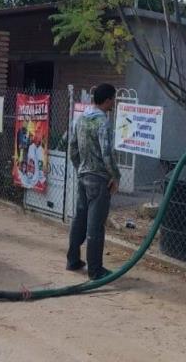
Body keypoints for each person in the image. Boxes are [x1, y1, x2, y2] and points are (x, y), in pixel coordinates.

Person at [66, 83, 120, 280]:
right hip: (99, 178)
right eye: (113, 99)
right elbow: (107, 153)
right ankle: (95, 270)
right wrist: (115, 176)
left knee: (79, 219)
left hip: (83, 176)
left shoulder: (80, 120)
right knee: (95, 225)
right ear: (107, 100)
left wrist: (80, 167)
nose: (114, 103)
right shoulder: (103, 122)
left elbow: (72, 148)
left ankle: (73, 260)